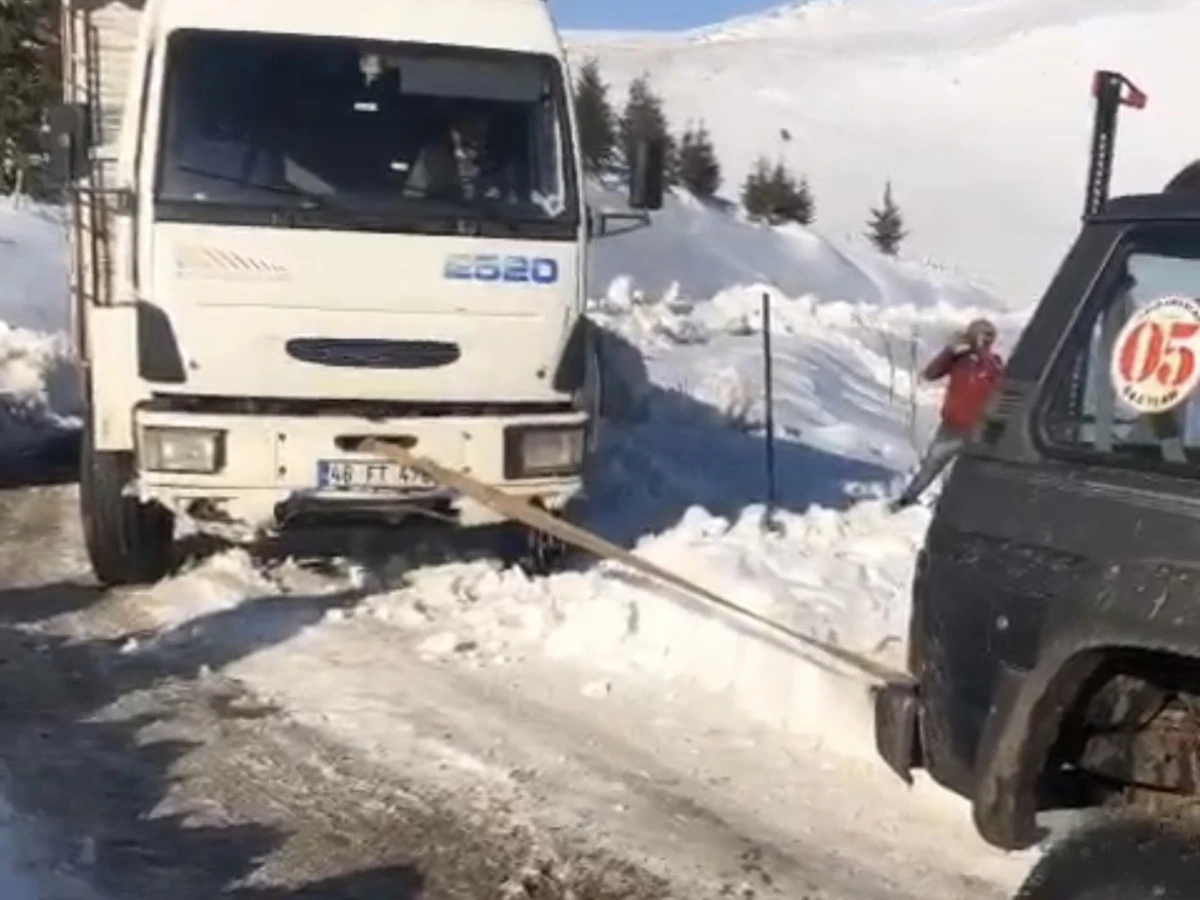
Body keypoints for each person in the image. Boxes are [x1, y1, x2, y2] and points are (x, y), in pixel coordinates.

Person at [889, 317, 1003, 511]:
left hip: (978, 430)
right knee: (930, 466)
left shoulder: (994, 364)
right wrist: (950, 350)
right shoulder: (959, 360)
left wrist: (983, 355)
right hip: (951, 426)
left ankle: (952, 509)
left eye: (989, 336)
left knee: (967, 474)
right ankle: (906, 501)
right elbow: (930, 374)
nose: (984, 340)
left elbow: (1001, 387)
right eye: (981, 335)